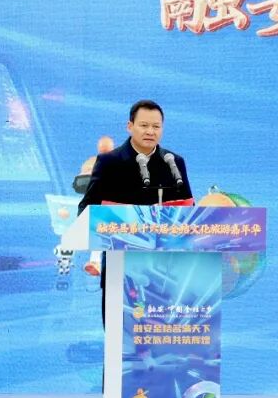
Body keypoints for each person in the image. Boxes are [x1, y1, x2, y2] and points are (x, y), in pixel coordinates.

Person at [78, 99, 194, 276]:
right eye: (144, 125)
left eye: (156, 126)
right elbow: (86, 209)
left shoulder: (174, 162)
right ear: (130, 126)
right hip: (119, 262)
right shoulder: (109, 162)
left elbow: (188, 211)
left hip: (166, 264)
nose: (150, 131)